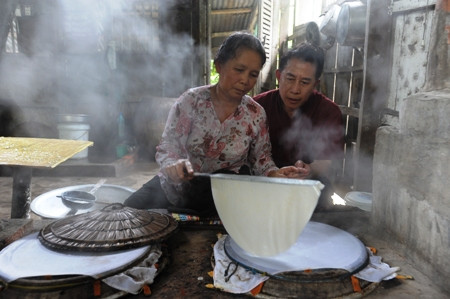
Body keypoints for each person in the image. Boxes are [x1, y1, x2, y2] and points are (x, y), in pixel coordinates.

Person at [124, 32, 304, 216]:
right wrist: (173, 164)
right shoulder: (191, 101)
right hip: (177, 188)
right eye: (239, 70)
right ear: (219, 66)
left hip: (224, 194)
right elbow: (168, 146)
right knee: (126, 212)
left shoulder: (255, 114)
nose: (245, 80)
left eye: (253, 74)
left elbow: (261, 161)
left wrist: (276, 174)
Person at [253, 42, 345, 209]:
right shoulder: (257, 107)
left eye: (305, 82)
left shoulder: (328, 111)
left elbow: (326, 161)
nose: (295, 89)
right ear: (278, 76)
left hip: (310, 187)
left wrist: (308, 169)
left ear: (315, 84)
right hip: (266, 184)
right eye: (290, 78)